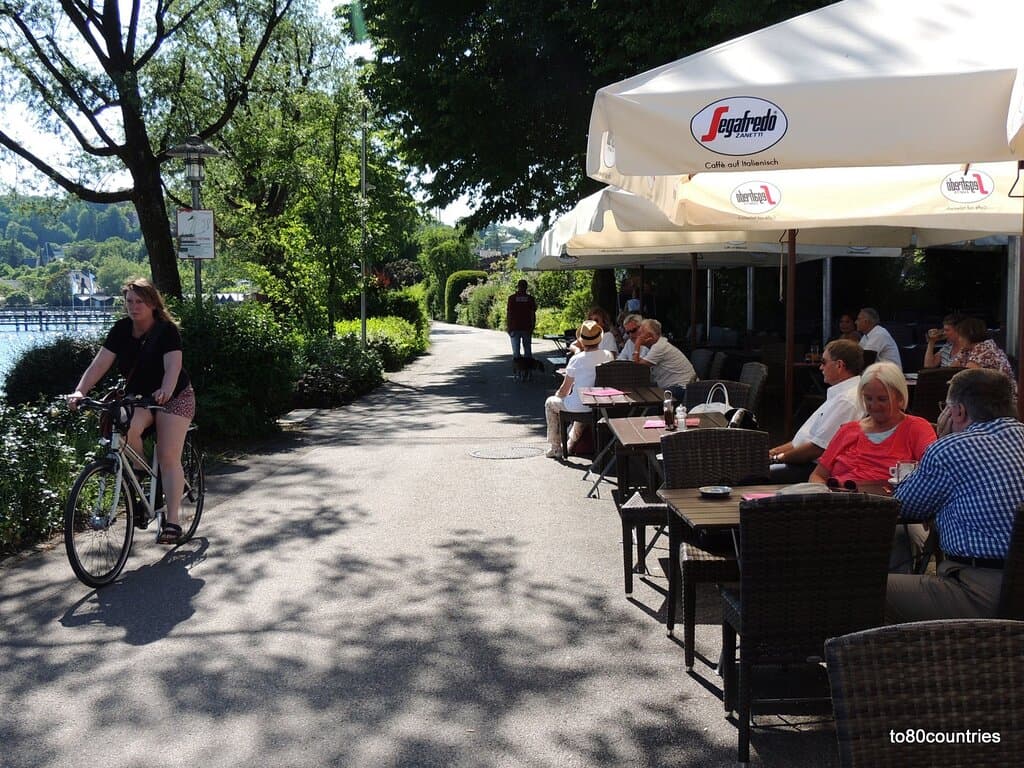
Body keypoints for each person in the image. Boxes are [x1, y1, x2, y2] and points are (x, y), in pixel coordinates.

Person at [887, 368, 1024, 621]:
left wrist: (942, 440)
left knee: (868, 593)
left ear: (958, 411)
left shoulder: (951, 449)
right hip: (1014, 587)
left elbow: (901, 506)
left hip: (983, 591)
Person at [68, 278, 195, 545]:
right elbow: (99, 364)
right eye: (129, 302)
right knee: (127, 430)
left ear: (152, 304)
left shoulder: (166, 330)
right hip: (139, 398)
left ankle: (172, 522)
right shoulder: (121, 330)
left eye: (140, 302)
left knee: (168, 455)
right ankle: (140, 474)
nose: (134, 307)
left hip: (174, 396)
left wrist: (166, 390)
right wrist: (80, 391)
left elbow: (173, 366)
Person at [809, 361, 935, 486]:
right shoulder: (848, 430)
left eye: (882, 399)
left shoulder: (917, 428)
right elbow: (818, 475)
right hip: (839, 501)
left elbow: (934, 475)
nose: (874, 406)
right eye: (868, 398)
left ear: (900, 398)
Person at [769, 340, 865, 482]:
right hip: (802, 461)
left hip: (814, 469)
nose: (820, 367)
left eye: (824, 362)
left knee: (751, 475)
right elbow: (802, 440)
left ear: (839, 365)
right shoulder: (840, 394)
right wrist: (773, 452)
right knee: (751, 467)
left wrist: (777, 458)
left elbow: (817, 449)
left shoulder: (847, 400)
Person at [544, 320, 614, 458]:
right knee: (581, 407)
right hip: (599, 404)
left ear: (582, 341)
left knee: (551, 403)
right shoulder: (608, 355)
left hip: (581, 404)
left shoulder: (576, 359)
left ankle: (556, 446)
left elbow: (564, 389)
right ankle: (570, 443)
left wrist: (559, 395)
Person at [631, 318, 697, 400]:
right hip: (679, 386)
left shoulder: (659, 347)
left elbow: (637, 368)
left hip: (682, 388)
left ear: (650, 336)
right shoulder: (658, 345)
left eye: (641, 333)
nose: (639, 336)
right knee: (644, 391)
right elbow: (639, 363)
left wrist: (637, 344)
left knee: (649, 398)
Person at [950, 316, 1016, 395]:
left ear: (969, 335)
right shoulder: (968, 349)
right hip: (989, 393)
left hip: (1002, 397)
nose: (959, 339)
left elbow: (966, 377)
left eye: (960, 336)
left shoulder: (984, 348)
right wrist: (961, 353)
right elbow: (951, 370)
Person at [506, 279, 536, 360]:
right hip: (527, 327)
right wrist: (533, 326)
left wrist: (508, 326)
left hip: (514, 327)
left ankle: (518, 369)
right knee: (527, 350)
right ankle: (527, 369)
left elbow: (509, 313)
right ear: (526, 287)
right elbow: (532, 313)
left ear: (518, 287)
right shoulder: (530, 299)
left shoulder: (512, 298)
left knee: (516, 352)